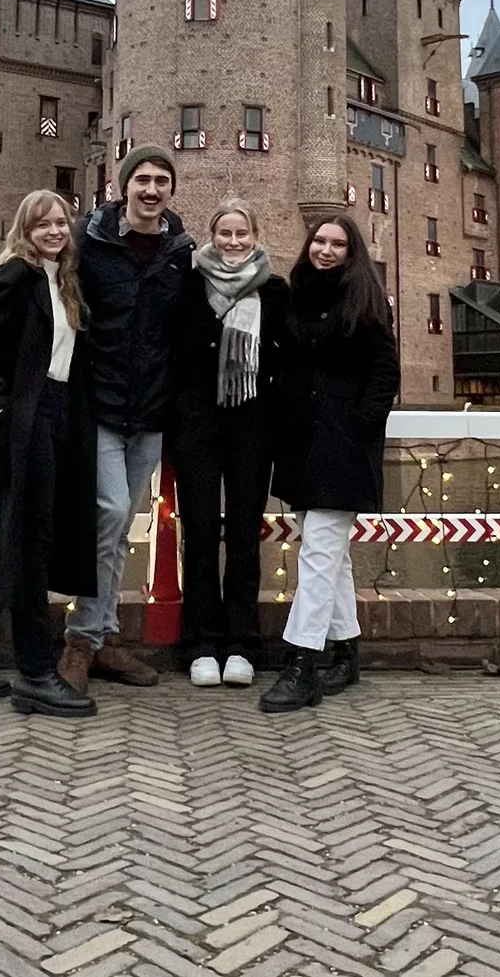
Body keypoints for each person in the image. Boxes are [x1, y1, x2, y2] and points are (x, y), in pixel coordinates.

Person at [0, 190, 98, 719]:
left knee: (11, 533)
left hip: (52, 418)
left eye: (61, 222)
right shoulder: (15, 276)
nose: (55, 231)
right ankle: (35, 672)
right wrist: (2, 417)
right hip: (21, 423)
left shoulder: (63, 280)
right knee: (30, 542)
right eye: (43, 225)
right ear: (25, 231)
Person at [58, 146, 194, 694]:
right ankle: (80, 637)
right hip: (100, 403)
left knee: (117, 528)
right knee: (110, 513)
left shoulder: (181, 251)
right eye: (143, 179)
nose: (152, 189)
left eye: (162, 180)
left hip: (152, 409)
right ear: (124, 186)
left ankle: (98, 638)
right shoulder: (88, 243)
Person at [260, 214, 399, 714]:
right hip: (302, 437)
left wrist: (361, 426)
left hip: (341, 440)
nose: (325, 249)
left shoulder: (363, 299)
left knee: (318, 550)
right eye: (319, 240)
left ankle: (303, 663)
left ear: (351, 251)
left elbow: (386, 371)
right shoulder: (294, 295)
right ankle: (347, 651)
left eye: (337, 243)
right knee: (330, 553)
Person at [172, 200, 288, 688]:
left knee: (244, 534)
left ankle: (242, 642)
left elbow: (288, 358)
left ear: (256, 236)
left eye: (242, 233)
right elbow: (173, 348)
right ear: (211, 236)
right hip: (197, 422)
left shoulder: (275, 291)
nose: (234, 242)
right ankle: (201, 642)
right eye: (225, 233)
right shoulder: (189, 283)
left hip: (252, 425)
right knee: (199, 533)